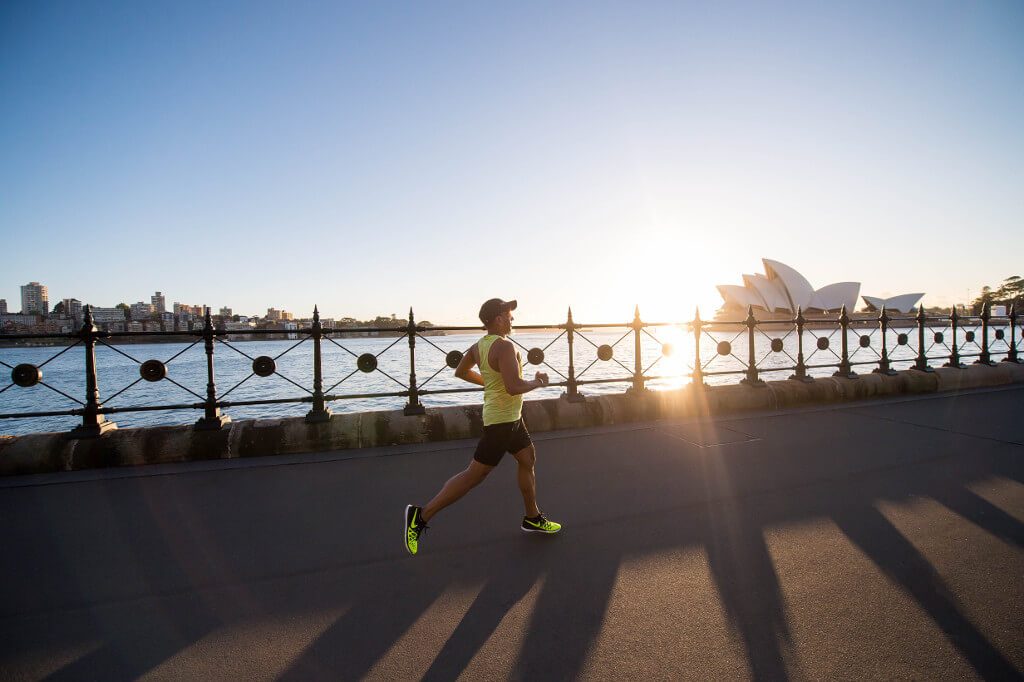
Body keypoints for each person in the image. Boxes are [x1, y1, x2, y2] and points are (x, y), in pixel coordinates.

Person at [404, 298, 561, 555]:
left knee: (527, 459)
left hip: (511, 419)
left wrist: (489, 383)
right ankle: (421, 516)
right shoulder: (504, 347)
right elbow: (513, 387)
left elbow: (461, 372)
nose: (513, 319)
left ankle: (532, 518)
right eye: (509, 315)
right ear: (498, 318)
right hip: (501, 423)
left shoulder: (479, 346)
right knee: (473, 476)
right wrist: (536, 383)